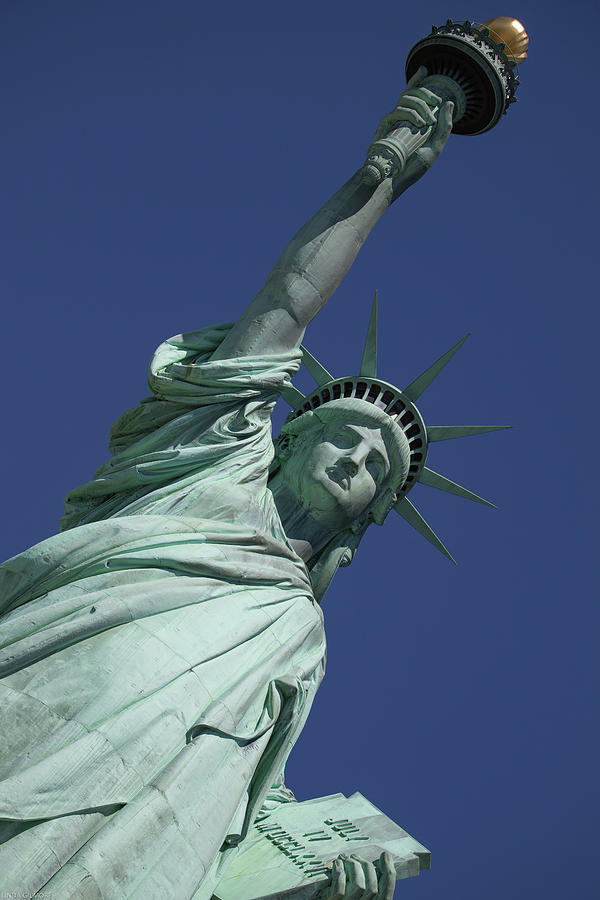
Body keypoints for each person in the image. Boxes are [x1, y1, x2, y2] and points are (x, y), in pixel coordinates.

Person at [0, 69, 453, 899]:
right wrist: (379, 178)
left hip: (150, 829)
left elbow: (250, 802)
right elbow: (285, 301)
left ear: (370, 517)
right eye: (348, 440)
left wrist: (323, 880)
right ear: (287, 442)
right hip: (40, 696)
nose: (357, 463)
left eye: (376, 471)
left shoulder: (300, 638)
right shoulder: (207, 463)